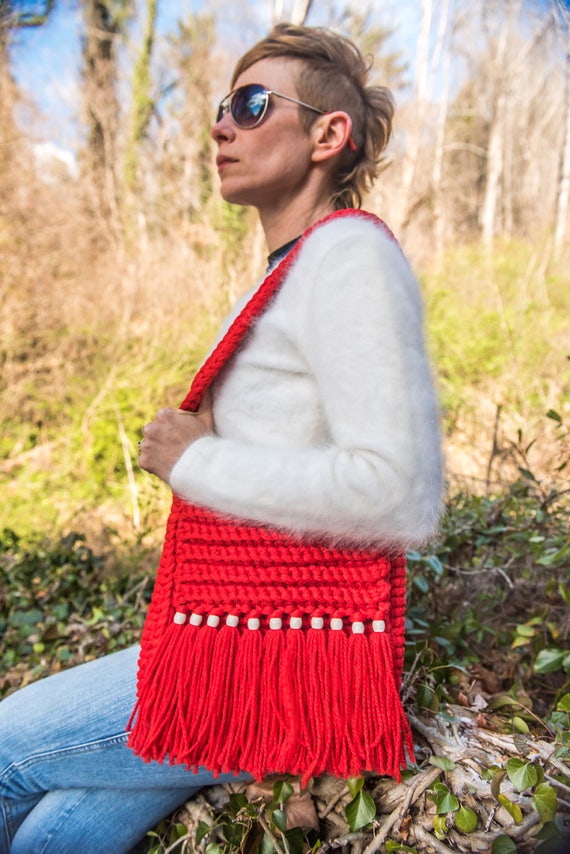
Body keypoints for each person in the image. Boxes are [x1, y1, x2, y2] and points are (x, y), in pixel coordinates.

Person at [0, 22, 443, 854]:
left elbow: (399, 491)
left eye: (250, 105)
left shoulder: (346, 256)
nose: (220, 126)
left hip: (266, 662)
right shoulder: (284, 271)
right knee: (53, 836)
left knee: (2, 751)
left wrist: (197, 459)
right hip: (234, 646)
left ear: (327, 134)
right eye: (221, 107)